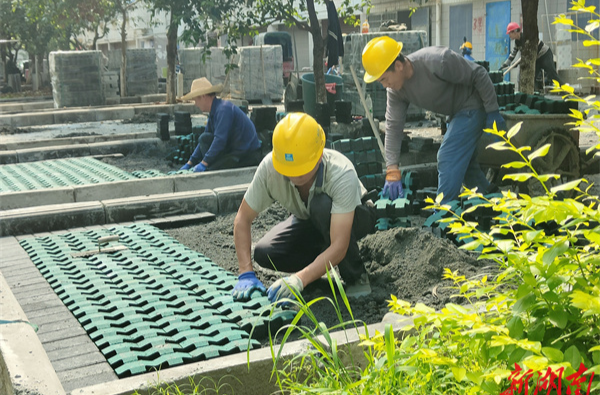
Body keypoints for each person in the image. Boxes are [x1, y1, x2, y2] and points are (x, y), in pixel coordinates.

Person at [231, 113, 376, 304]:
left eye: (301, 169)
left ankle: (356, 276)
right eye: (289, 170)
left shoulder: (341, 173)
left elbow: (339, 245)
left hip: (353, 217)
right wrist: (245, 273)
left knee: (321, 205)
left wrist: (299, 280)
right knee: (265, 252)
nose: (295, 176)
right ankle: (316, 270)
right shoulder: (270, 168)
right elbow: (242, 219)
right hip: (309, 219)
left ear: (319, 155)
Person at [361, 36, 505, 204]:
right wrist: (392, 168)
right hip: (455, 114)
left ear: (398, 66)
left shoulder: (438, 61)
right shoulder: (395, 92)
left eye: (384, 79)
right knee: (465, 167)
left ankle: (443, 215)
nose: (384, 85)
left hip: (472, 104)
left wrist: (492, 110)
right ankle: (495, 203)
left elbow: (478, 74)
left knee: (447, 157)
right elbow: (393, 126)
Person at [179, 77, 262, 172]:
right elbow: (205, 138)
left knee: (210, 170)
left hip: (246, 155)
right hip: (233, 150)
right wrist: (190, 163)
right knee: (204, 138)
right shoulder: (214, 112)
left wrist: (204, 163)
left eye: (195, 100)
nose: (196, 104)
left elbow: (220, 140)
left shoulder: (224, 109)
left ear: (203, 96)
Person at [500, 22, 562, 90]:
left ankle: (566, 91)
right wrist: (505, 65)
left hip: (544, 55)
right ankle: (535, 95)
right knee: (531, 77)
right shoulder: (517, 42)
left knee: (552, 75)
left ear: (515, 32)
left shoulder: (526, 37)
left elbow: (528, 54)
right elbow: (513, 54)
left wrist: (517, 63)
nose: (509, 35)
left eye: (509, 33)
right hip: (536, 58)